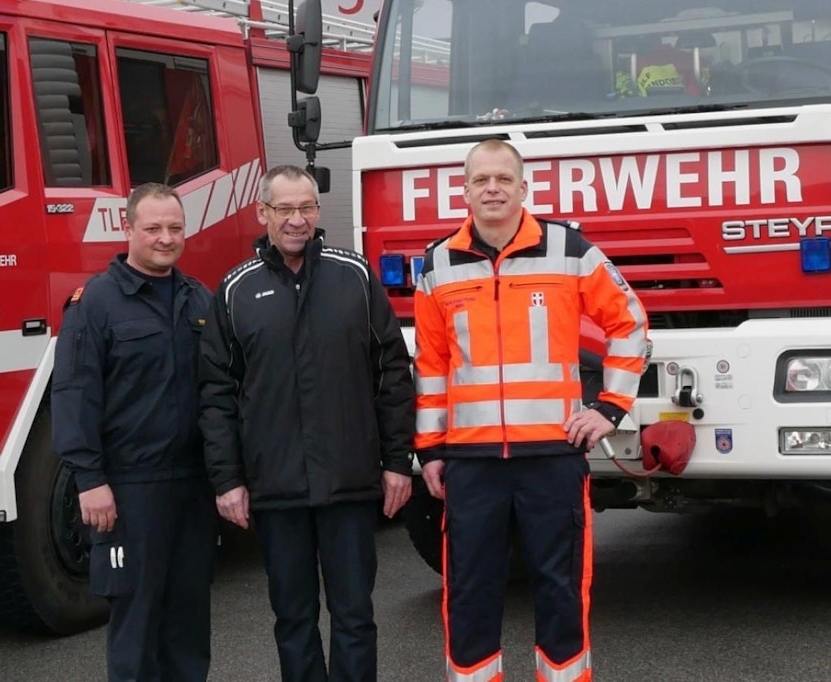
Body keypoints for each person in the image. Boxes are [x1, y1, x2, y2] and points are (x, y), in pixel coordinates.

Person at [413, 140, 649, 682]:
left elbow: (629, 322)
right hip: (471, 462)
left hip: (552, 453)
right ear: (465, 189)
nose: (491, 188)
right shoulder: (439, 262)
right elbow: (432, 364)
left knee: (561, 589)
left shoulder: (571, 249)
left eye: (502, 178)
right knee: (469, 592)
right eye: (480, 180)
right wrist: (429, 448)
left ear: (524, 188)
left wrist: (609, 408)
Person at [199, 164, 415, 682]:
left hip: (350, 482)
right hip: (276, 489)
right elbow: (216, 393)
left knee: (355, 616)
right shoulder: (235, 290)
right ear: (263, 213)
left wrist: (396, 462)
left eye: (307, 208)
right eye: (285, 209)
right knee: (293, 619)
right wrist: (228, 479)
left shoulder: (354, 276)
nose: (297, 220)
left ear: (318, 211)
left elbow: (392, 370)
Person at [52, 182, 216, 681]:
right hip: (128, 490)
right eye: (153, 228)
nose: (165, 238)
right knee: (136, 620)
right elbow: (75, 395)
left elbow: (222, 391)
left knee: (189, 621)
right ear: (127, 229)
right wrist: (89, 479)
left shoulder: (199, 300)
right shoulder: (94, 304)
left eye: (175, 228)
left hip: (192, 485)